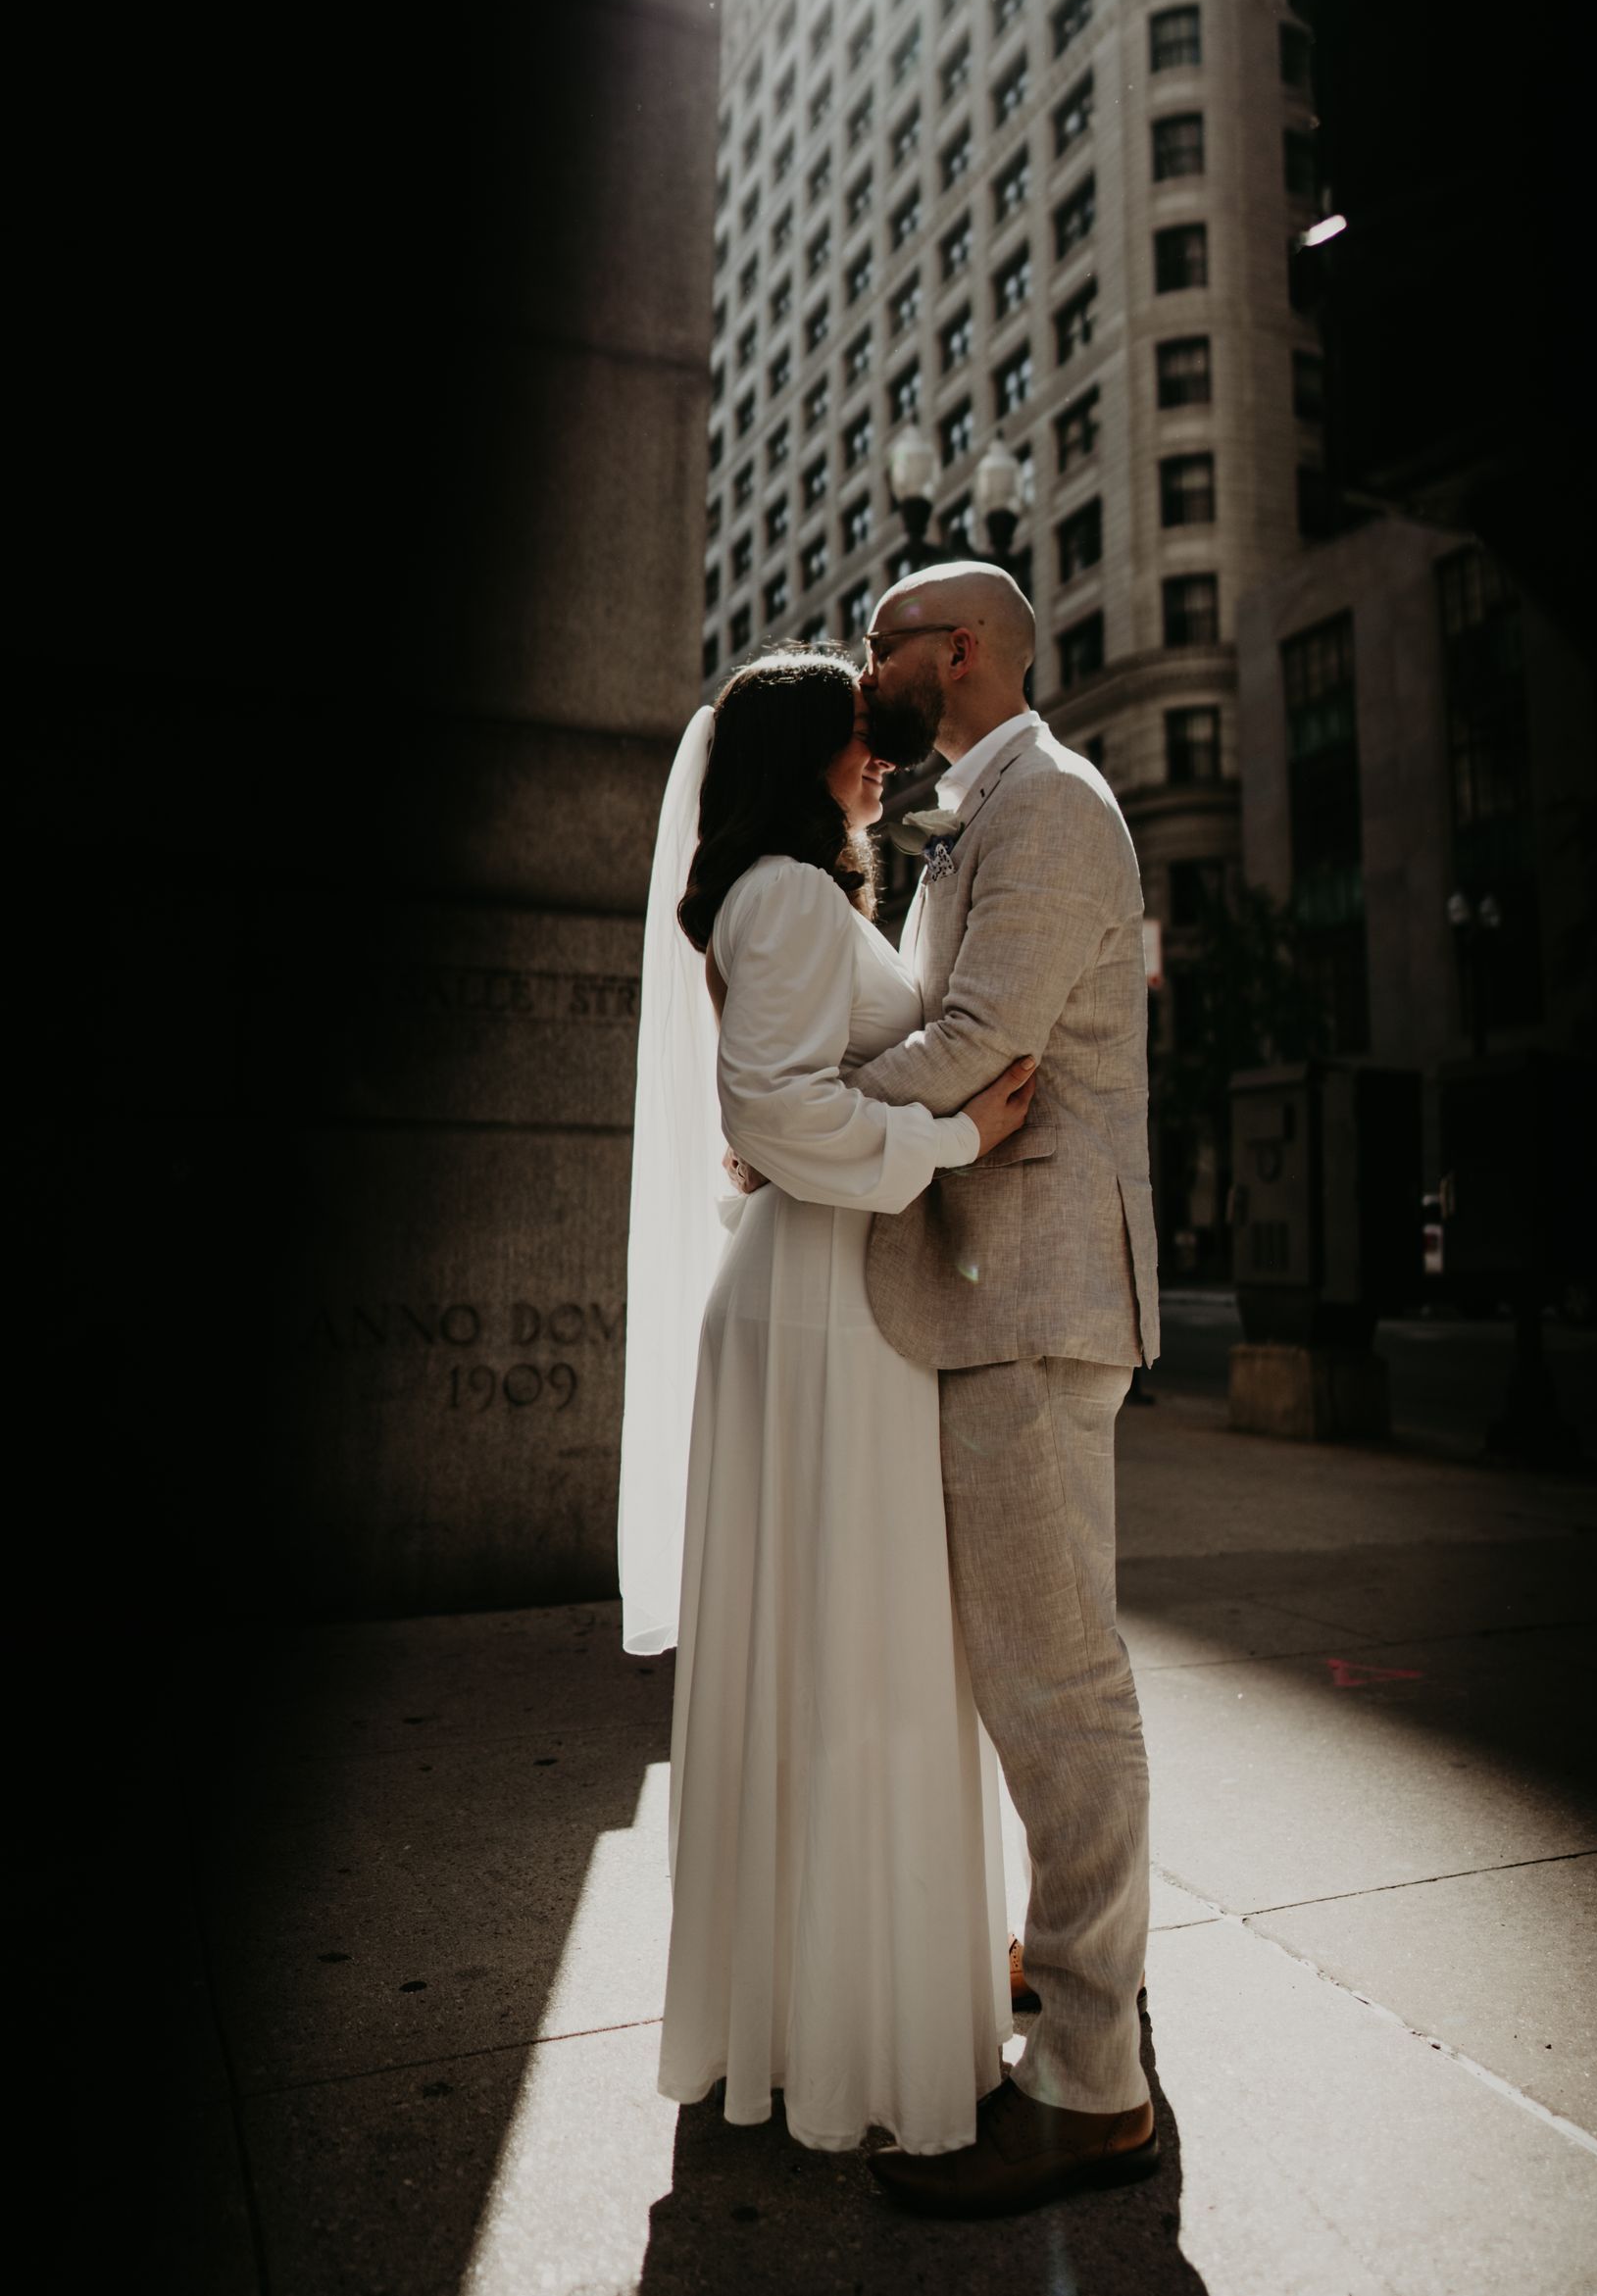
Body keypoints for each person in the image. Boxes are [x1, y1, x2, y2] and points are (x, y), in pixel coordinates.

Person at [625, 649, 1037, 2160]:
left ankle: (810, 2008)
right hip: (820, 1307)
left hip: (817, 1300)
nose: (882, 759)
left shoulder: (787, 890)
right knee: (855, 1656)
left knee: (835, 1657)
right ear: (800, 749)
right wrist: (952, 1133)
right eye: (860, 739)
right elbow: (775, 1109)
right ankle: (852, 2026)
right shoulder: (792, 895)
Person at [843, 562, 1162, 2219]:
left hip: (1037, 1291)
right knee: (1029, 1669)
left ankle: (1097, 2082)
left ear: (957, 653)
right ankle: (1080, 1985)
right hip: (994, 1286)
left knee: (1057, 1681)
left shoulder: (1052, 803)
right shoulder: (979, 811)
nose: (863, 666)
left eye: (880, 641)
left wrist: (799, 1118)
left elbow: (978, 1039)